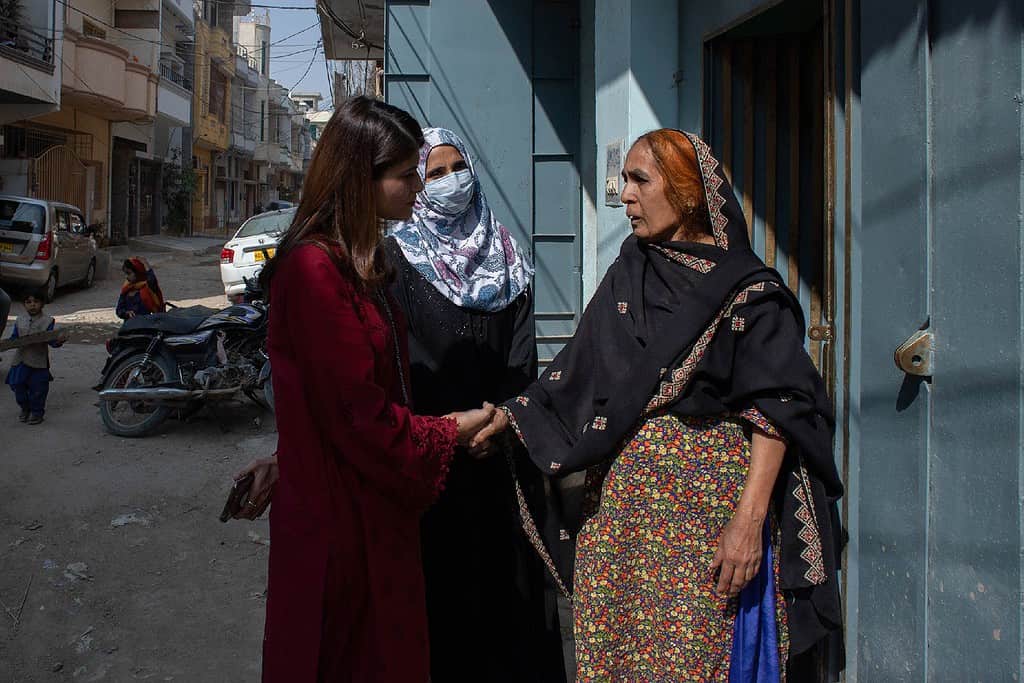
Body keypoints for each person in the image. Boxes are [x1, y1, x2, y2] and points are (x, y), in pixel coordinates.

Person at [471, 130, 844, 680]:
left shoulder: (748, 292)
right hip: (622, 517)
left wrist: (748, 522)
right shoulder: (632, 270)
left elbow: (779, 409)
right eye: (624, 180)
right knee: (615, 653)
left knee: (693, 656)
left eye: (639, 180)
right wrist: (509, 416)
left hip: (704, 520)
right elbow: (577, 369)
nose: (624, 195)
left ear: (688, 193)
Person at [244, 96, 495, 682]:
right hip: (340, 521)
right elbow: (356, 415)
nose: (419, 187)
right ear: (364, 179)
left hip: (370, 505)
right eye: (407, 176)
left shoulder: (360, 260)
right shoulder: (313, 271)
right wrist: (448, 432)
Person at [382, 127, 565, 682]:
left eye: (457, 168)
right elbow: (392, 365)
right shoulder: (392, 260)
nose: (448, 182)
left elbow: (523, 358)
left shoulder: (506, 256)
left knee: (507, 602)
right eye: (432, 174)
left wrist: (502, 421)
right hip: (426, 464)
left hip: (499, 459)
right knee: (438, 605)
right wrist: (436, 433)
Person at [5, 290, 66, 424]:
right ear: (24, 304)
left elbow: (51, 340)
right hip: (20, 361)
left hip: (38, 362)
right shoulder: (19, 320)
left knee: (38, 389)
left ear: (42, 304)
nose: (32, 305)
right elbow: (14, 338)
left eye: (36, 302)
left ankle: (37, 412)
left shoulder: (48, 321)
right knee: (18, 386)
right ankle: (25, 408)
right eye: (28, 302)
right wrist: (6, 344)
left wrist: (59, 340)